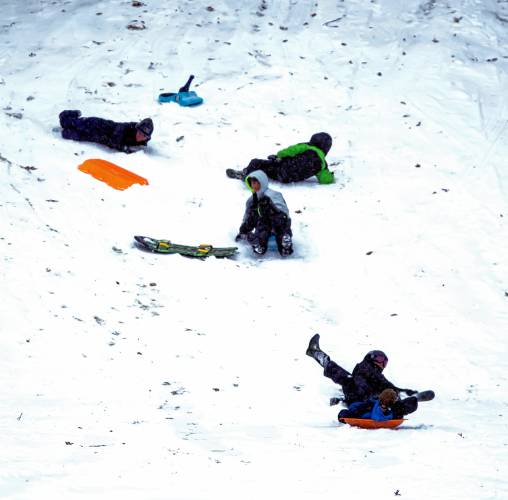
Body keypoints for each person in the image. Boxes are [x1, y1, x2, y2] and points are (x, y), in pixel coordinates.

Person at [306, 333, 422, 418]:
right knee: (347, 378)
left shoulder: (375, 379)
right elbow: (377, 379)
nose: (382, 363)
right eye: (380, 358)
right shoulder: (367, 369)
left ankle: (316, 353)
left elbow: (384, 387)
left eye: (384, 362)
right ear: (371, 357)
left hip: (369, 404)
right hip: (361, 402)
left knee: (349, 379)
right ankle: (316, 352)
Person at [226, 132, 335, 184]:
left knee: (257, 163)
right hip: (287, 178)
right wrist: (330, 176)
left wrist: (278, 156)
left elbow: (289, 151)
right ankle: (258, 177)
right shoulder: (322, 164)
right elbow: (326, 180)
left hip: (281, 168)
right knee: (270, 170)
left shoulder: (306, 147)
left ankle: (245, 174)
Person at [236, 170, 293, 256]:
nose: (254, 185)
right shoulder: (251, 200)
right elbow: (248, 216)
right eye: (252, 183)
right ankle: (259, 246)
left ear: (262, 181)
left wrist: (270, 208)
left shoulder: (274, 194)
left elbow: (282, 210)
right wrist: (243, 231)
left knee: (280, 228)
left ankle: (285, 246)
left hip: (278, 220)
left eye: (256, 182)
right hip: (264, 224)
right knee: (262, 227)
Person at [58, 110, 153, 153]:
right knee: (66, 123)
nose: (140, 136)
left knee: (66, 134)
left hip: (97, 138)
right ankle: (70, 114)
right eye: (140, 133)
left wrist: (125, 148)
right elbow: (117, 135)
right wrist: (123, 147)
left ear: (147, 138)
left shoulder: (141, 144)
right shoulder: (129, 127)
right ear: (137, 129)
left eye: (143, 136)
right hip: (99, 125)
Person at [338, 388, 403, 421]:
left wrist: (396, 416)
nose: (384, 406)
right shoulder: (370, 405)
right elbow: (377, 417)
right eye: (382, 402)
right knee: (352, 413)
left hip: (363, 408)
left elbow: (390, 415)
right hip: (357, 407)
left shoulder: (389, 409)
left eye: (388, 404)